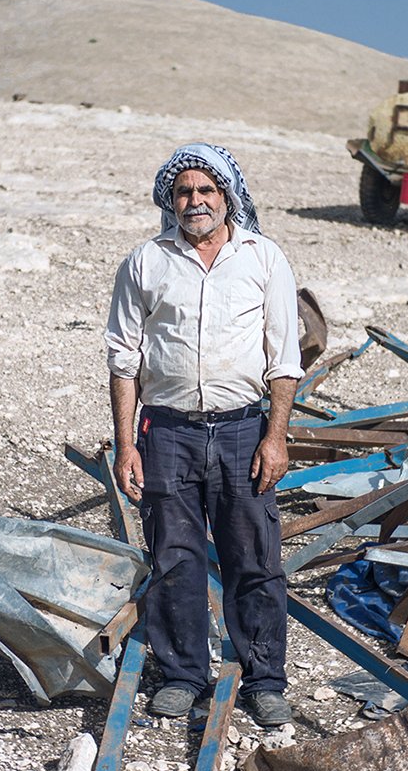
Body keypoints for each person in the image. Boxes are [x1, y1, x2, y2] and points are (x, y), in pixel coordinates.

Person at [104, 143, 302, 727]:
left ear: (228, 197)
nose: (196, 202)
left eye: (206, 191)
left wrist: (277, 436)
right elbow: (124, 361)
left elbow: (283, 358)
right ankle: (184, 674)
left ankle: (265, 680)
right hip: (167, 432)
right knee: (174, 557)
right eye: (185, 192)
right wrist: (126, 443)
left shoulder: (264, 259)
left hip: (244, 429)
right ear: (171, 200)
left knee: (255, 558)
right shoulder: (146, 262)